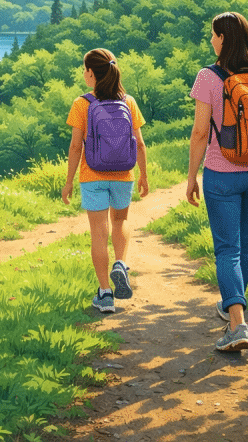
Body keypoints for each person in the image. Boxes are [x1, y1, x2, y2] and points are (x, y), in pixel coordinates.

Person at [186, 11, 248, 352]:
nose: (211, 39)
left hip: (222, 175)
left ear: (224, 38)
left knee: (227, 248)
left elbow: (201, 132)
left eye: (214, 35)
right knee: (243, 243)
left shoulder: (208, 76)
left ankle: (238, 324)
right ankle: (234, 306)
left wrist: (191, 177)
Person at [62, 48, 149, 314]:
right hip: (124, 174)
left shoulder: (82, 104)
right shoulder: (129, 102)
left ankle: (105, 294)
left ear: (91, 73)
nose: (83, 73)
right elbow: (140, 144)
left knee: (98, 233)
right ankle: (120, 264)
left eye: (84, 69)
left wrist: (68, 182)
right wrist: (144, 175)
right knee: (120, 221)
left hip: (93, 176)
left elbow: (76, 147)